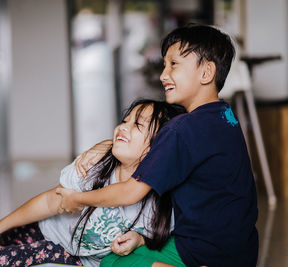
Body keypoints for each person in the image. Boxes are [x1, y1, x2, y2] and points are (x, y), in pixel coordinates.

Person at [56, 24, 259, 267]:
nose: (164, 75)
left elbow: (130, 192)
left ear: (206, 73)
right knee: (136, 250)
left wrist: (79, 198)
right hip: (242, 250)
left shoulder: (181, 129)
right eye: (164, 65)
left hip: (203, 252)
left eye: (174, 64)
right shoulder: (226, 116)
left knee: (112, 263)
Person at [0, 99, 185, 267]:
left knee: (2, 258)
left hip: (72, 255)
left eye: (138, 124)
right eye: (126, 119)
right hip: (48, 229)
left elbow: (154, 237)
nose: (123, 126)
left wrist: (138, 239)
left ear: (159, 146)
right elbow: (51, 201)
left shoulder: (159, 206)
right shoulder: (95, 165)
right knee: (1, 243)